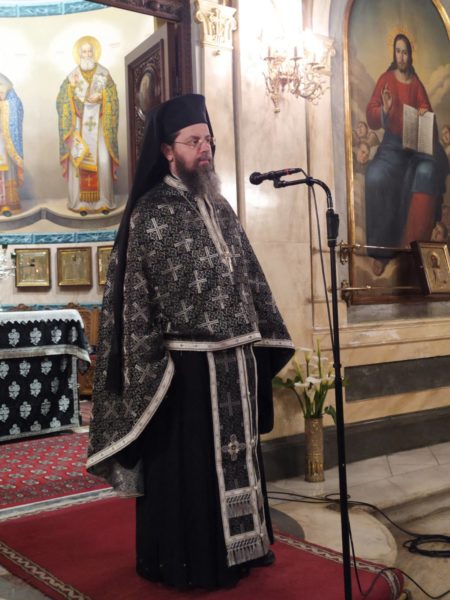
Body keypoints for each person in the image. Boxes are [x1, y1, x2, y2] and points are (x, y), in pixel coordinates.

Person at [86, 94, 294, 590]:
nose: (205, 148)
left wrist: (260, 335)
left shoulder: (219, 205)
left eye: (209, 140)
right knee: (193, 470)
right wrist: (149, 369)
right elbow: (135, 300)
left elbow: (249, 276)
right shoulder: (151, 213)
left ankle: (246, 548)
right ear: (167, 150)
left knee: (240, 456)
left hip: (236, 360)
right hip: (185, 371)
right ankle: (196, 561)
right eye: (193, 141)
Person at [364, 33, 448, 276]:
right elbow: (371, 115)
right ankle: (381, 253)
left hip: (414, 150)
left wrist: (423, 114)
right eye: (398, 51)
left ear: (411, 55)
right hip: (391, 148)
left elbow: (428, 116)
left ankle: (414, 250)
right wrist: (385, 109)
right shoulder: (386, 79)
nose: (401, 56)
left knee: (427, 173)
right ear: (394, 54)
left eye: (405, 52)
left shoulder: (416, 84)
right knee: (375, 177)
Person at [56, 36, 119, 216]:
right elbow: (61, 100)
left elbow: (113, 97)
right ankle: (80, 203)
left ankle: (104, 201)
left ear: (94, 53)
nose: (88, 54)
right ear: (79, 54)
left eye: (90, 51)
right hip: (78, 126)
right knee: (79, 160)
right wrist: (70, 89)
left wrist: (103, 96)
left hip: (99, 127)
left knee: (103, 161)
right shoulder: (72, 76)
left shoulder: (104, 74)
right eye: (84, 51)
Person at [0, 73, 24, 216]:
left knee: (6, 171)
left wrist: (5, 105)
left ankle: (6, 205)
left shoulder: (5, 82)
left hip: (3, 141)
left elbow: (17, 107)